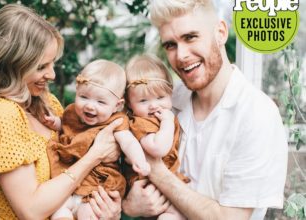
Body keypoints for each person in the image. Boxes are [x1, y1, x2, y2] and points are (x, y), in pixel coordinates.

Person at [122, 0, 288, 219]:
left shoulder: (257, 115)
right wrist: (128, 205)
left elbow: (230, 218)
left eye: (190, 37)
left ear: (220, 32)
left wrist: (155, 170)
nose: (181, 55)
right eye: (170, 45)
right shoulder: (167, 100)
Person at [0, 4, 122, 220]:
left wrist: (108, 208)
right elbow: (32, 210)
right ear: (12, 64)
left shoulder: (45, 103)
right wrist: (95, 154)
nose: (52, 74)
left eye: (52, 63)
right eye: (41, 67)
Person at [46, 59, 150, 220]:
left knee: (89, 213)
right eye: (84, 97)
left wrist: (139, 160)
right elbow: (65, 125)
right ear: (76, 91)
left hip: (97, 185)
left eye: (100, 102)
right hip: (69, 180)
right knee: (58, 210)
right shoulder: (72, 112)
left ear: (117, 105)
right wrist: (56, 123)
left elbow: (128, 142)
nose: (90, 106)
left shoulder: (116, 122)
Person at [124, 54, 190, 220]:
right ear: (129, 104)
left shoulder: (158, 117)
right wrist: (168, 122)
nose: (154, 105)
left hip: (164, 184)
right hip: (149, 188)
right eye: (143, 100)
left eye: (160, 97)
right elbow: (157, 148)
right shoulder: (141, 123)